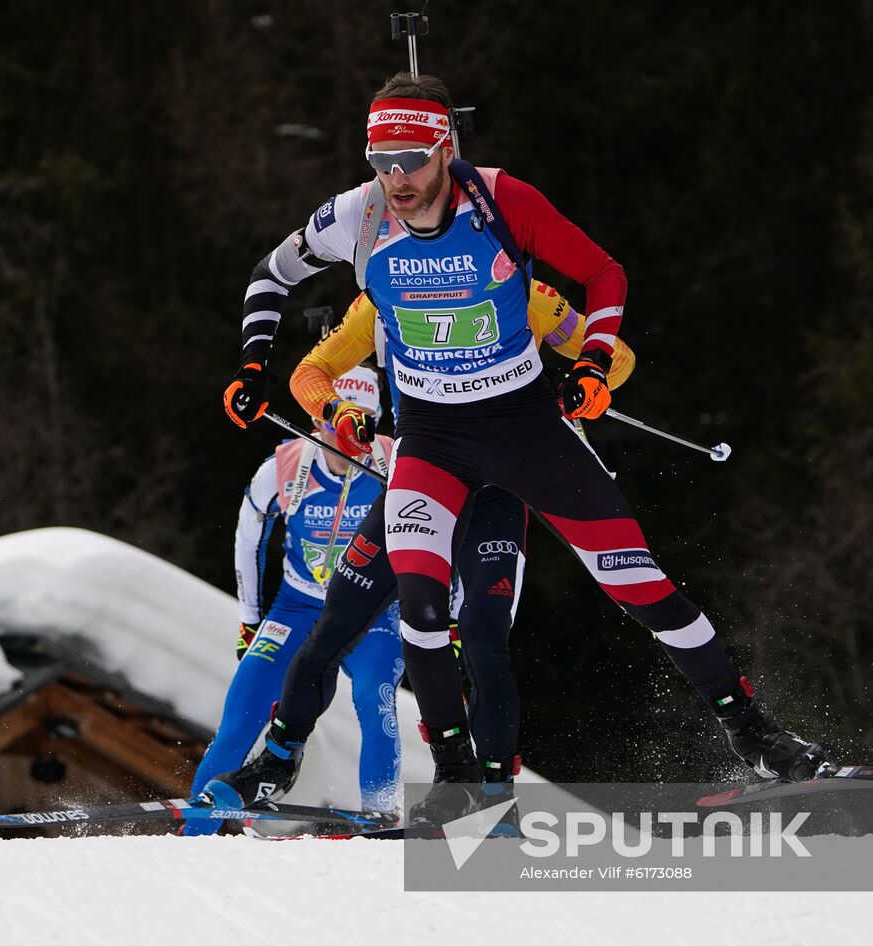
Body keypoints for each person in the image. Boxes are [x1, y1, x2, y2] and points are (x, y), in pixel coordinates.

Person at [220, 71, 829, 825]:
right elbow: (270, 276)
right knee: (415, 598)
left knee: (640, 585)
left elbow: (606, 272)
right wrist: (252, 363)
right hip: (432, 439)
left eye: (411, 157)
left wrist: (596, 361)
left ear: (445, 148)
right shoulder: (359, 216)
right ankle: (452, 779)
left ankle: (757, 733)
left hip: (523, 429)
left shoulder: (504, 202)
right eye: (380, 158)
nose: (395, 177)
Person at [207, 281, 636, 821]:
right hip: (422, 477)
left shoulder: (512, 288)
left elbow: (616, 358)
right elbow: (307, 374)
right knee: (334, 622)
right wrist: (334, 407)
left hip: (495, 494)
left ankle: (492, 798)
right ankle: (276, 761)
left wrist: (587, 372)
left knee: (481, 642)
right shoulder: (387, 290)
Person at [187, 366, 401, 833]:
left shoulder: (394, 463)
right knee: (242, 712)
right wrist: (249, 618)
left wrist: (443, 618)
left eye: (362, 424)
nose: (349, 439)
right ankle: (194, 833)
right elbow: (248, 539)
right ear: (318, 419)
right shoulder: (284, 467)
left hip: (371, 610)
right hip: (298, 606)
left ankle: (383, 819)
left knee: (374, 698)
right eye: (338, 422)